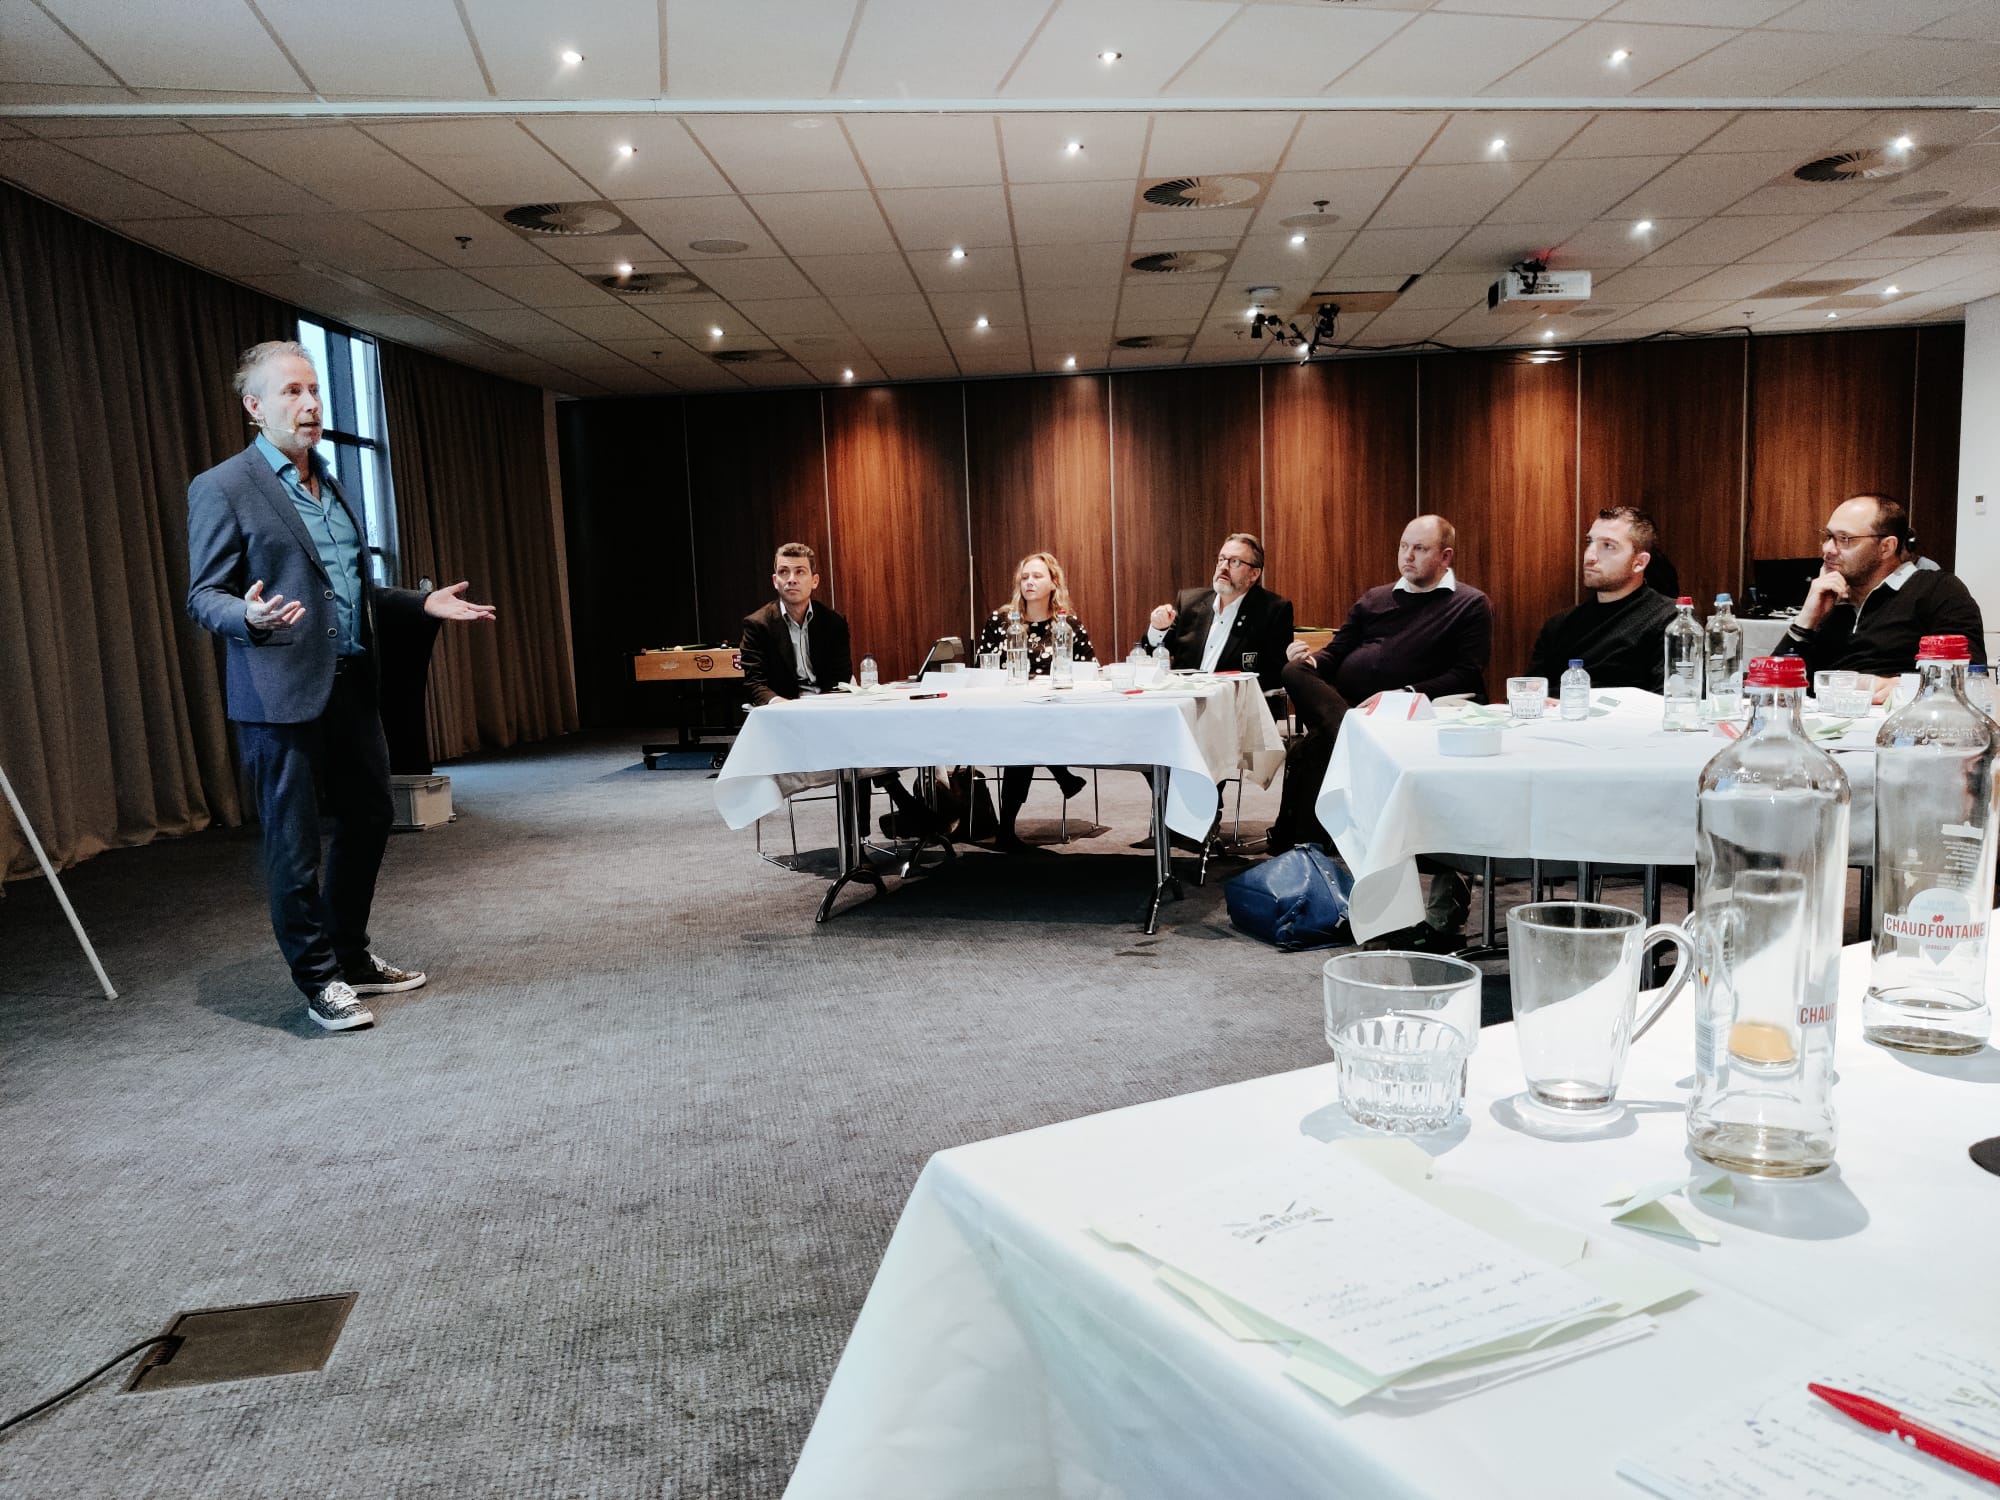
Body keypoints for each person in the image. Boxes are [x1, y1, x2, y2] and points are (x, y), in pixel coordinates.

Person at [186, 340, 496, 1033]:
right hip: (278, 694)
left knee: (372, 817)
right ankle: (318, 977)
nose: (310, 404)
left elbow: (345, 592)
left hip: (351, 683)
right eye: (292, 392)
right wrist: (249, 616)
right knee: (295, 843)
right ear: (254, 406)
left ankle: (350, 955)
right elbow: (205, 595)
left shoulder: (331, 483)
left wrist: (419, 604)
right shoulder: (224, 486)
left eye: (315, 390)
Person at [1274, 515, 1492, 941]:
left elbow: (1467, 673)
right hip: (1354, 711)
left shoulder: (1469, 605)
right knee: (1292, 671)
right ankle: (1351, 737)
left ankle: (1348, 738)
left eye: (1420, 549)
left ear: (1445, 557)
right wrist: (1311, 660)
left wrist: (1402, 694)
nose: (1407, 556)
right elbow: (1337, 652)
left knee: (1314, 750)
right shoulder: (1375, 599)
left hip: (1411, 714)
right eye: (1403, 546)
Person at [738, 542, 934, 837]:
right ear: (775, 580)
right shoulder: (757, 625)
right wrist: (781, 704)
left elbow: (840, 678)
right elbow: (755, 683)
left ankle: (861, 837)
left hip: (827, 710)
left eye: (800, 572)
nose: (792, 579)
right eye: (784, 572)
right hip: (788, 717)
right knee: (855, 743)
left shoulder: (833, 622)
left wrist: (826, 708)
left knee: (856, 737)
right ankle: (890, 814)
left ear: (814, 580)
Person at [1783, 493, 1985, 694]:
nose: (1828, 549)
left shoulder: (1938, 590)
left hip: (1895, 711)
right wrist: (1805, 621)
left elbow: (1971, 678)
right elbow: (1777, 689)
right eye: (1828, 537)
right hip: (1825, 710)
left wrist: (1901, 687)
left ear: (1886, 547)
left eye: (1844, 539)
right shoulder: (1828, 600)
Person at [974, 552, 1097, 853]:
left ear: (1054, 583)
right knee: (1024, 730)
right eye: (1025, 577)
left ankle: (1006, 830)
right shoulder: (1001, 621)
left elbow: (1090, 670)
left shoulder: (1067, 624)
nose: (1029, 582)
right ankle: (1063, 776)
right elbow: (982, 667)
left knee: (1026, 733)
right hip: (1006, 713)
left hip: (1056, 715)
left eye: (1037, 576)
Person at [1528, 507, 1678, 691]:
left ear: (1639, 563)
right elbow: (1529, 695)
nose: (1590, 556)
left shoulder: (1670, 621)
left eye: (1608, 546)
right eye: (1590, 542)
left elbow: (1670, 699)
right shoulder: (1559, 626)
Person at [1141, 533, 1294, 693]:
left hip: (1233, 701)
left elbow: (1275, 674)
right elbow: (1151, 654)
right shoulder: (1190, 602)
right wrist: (1158, 629)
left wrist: (1223, 690)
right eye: (1221, 559)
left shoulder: (1272, 610)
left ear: (1254, 574)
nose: (1223, 567)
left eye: (1235, 562)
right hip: (1183, 698)